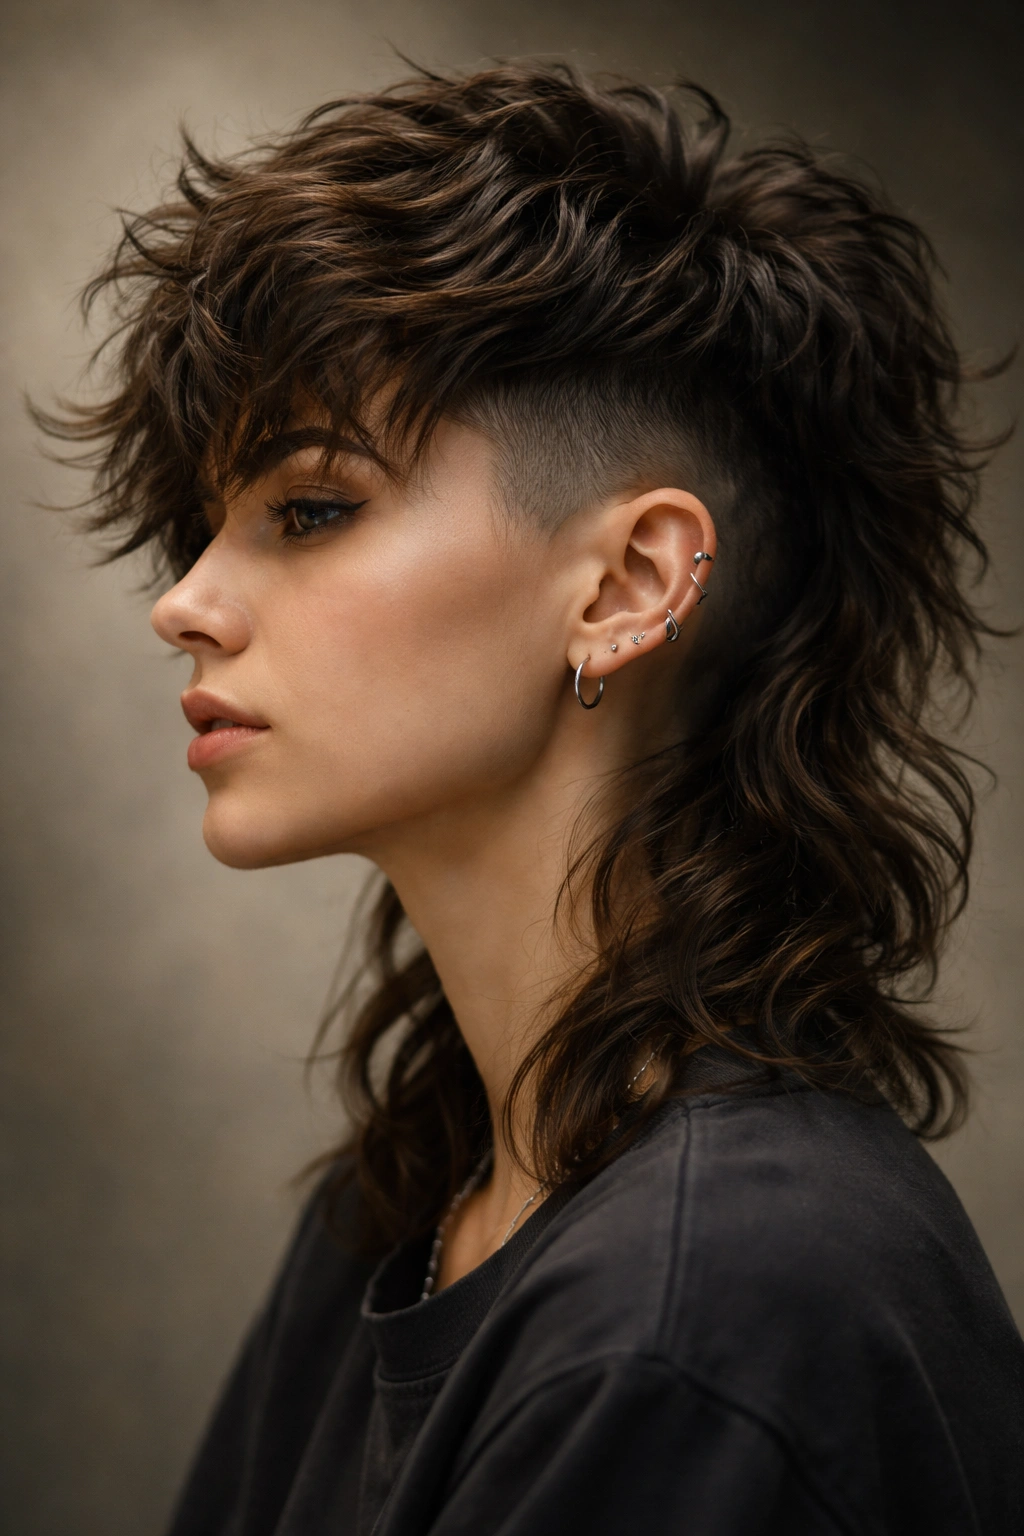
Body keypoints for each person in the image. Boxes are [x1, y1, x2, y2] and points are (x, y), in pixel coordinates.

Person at [42, 60, 1023, 1535]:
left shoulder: (708, 1321)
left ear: (627, 585)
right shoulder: (408, 1206)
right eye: (203, 528)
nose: (184, 602)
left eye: (310, 509)